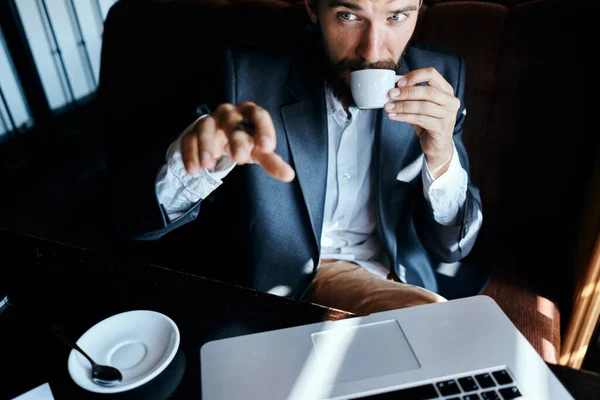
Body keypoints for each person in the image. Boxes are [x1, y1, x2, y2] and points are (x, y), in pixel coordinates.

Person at [126, 0, 483, 314]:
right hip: (279, 290)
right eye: (348, 15)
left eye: (397, 16)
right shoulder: (245, 74)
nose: (373, 51)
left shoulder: (442, 77)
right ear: (313, 7)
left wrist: (441, 157)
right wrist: (201, 163)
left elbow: (453, 245)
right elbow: (141, 222)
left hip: (398, 279)